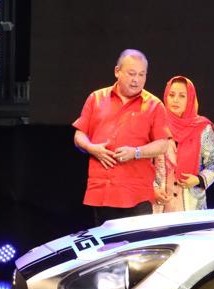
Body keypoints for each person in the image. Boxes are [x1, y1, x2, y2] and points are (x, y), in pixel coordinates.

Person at [73, 49, 172, 225]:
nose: (136, 80)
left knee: (138, 242)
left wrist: (136, 152)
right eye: (131, 74)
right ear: (117, 71)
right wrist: (91, 148)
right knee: (107, 242)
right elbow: (79, 135)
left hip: (138, 193)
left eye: (141, 75)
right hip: (104, 191)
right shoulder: (96, 98)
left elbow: (163, 144)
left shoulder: (154, 105)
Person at [153, 75, 214, 213]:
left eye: (182, 96)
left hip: (192, 204)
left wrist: (198, 180)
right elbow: (144, 164)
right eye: (171, 95)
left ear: (190, 99)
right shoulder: (156, 124)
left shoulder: (203, 128)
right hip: (160, 203)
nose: (175, 100)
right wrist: (153, 189)